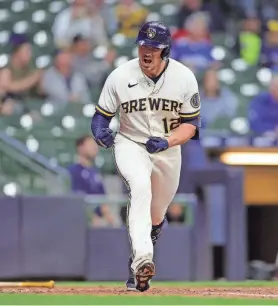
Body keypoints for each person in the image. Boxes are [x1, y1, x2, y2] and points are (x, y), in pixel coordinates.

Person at [90, 21, 201, 292]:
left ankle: (136, 263)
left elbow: (191, 126)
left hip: (168, 148)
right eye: (143, 46)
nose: (146, 52)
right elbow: (100, 118)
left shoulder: (184, 77)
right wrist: (100, 132)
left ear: (165, 52)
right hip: (130, 143)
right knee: (140, 188)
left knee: (156, 213)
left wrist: (166, 140)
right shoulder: (119, 75)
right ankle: (142, 259)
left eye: (153, 47)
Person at [68, 135, 115, 226]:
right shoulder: (73, 172)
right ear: (80, 147)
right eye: (90, 144)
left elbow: (103, 199)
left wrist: (109, 218)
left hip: (98, 223)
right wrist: (91, 217)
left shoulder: (95, 172)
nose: (95, 147)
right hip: (81, 223)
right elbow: (77, 199)